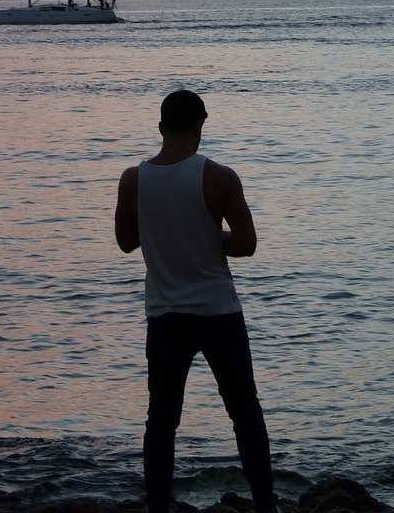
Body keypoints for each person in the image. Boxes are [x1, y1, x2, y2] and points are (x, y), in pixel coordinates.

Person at [115, 89, 278, 513]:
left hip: (165, 315)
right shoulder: (219, 177)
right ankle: (265, 505)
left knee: (162, 420)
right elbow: (245, 245)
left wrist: (166, 234)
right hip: (218, 312)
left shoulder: (134, 179)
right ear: (199, 126)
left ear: (160, 127)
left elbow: (126, 241)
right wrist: (209, 237)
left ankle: (157, 508)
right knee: (245, 413)